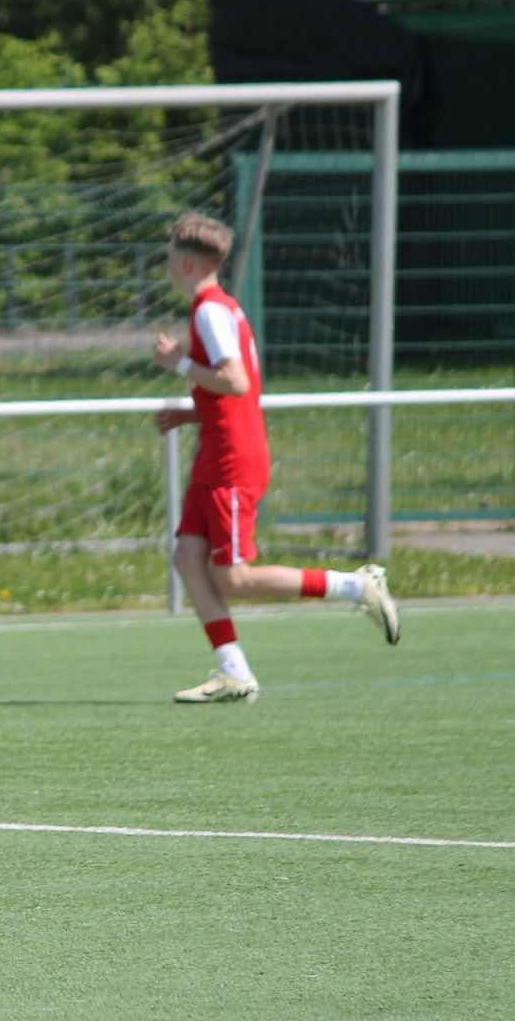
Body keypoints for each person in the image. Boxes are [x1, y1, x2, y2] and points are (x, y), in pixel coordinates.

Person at [152, 212, 399, 704]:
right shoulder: (218, 309)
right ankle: (234, 672)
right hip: (216, 455)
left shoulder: (210, 311)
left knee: (236, 579)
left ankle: (355, 587)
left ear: (186, 263)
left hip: (231, 461)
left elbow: (236, 381)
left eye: (169, 257)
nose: (166, 265)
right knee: (186, 557)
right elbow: (232, 395)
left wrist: (178, 363)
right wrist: (191, 414)